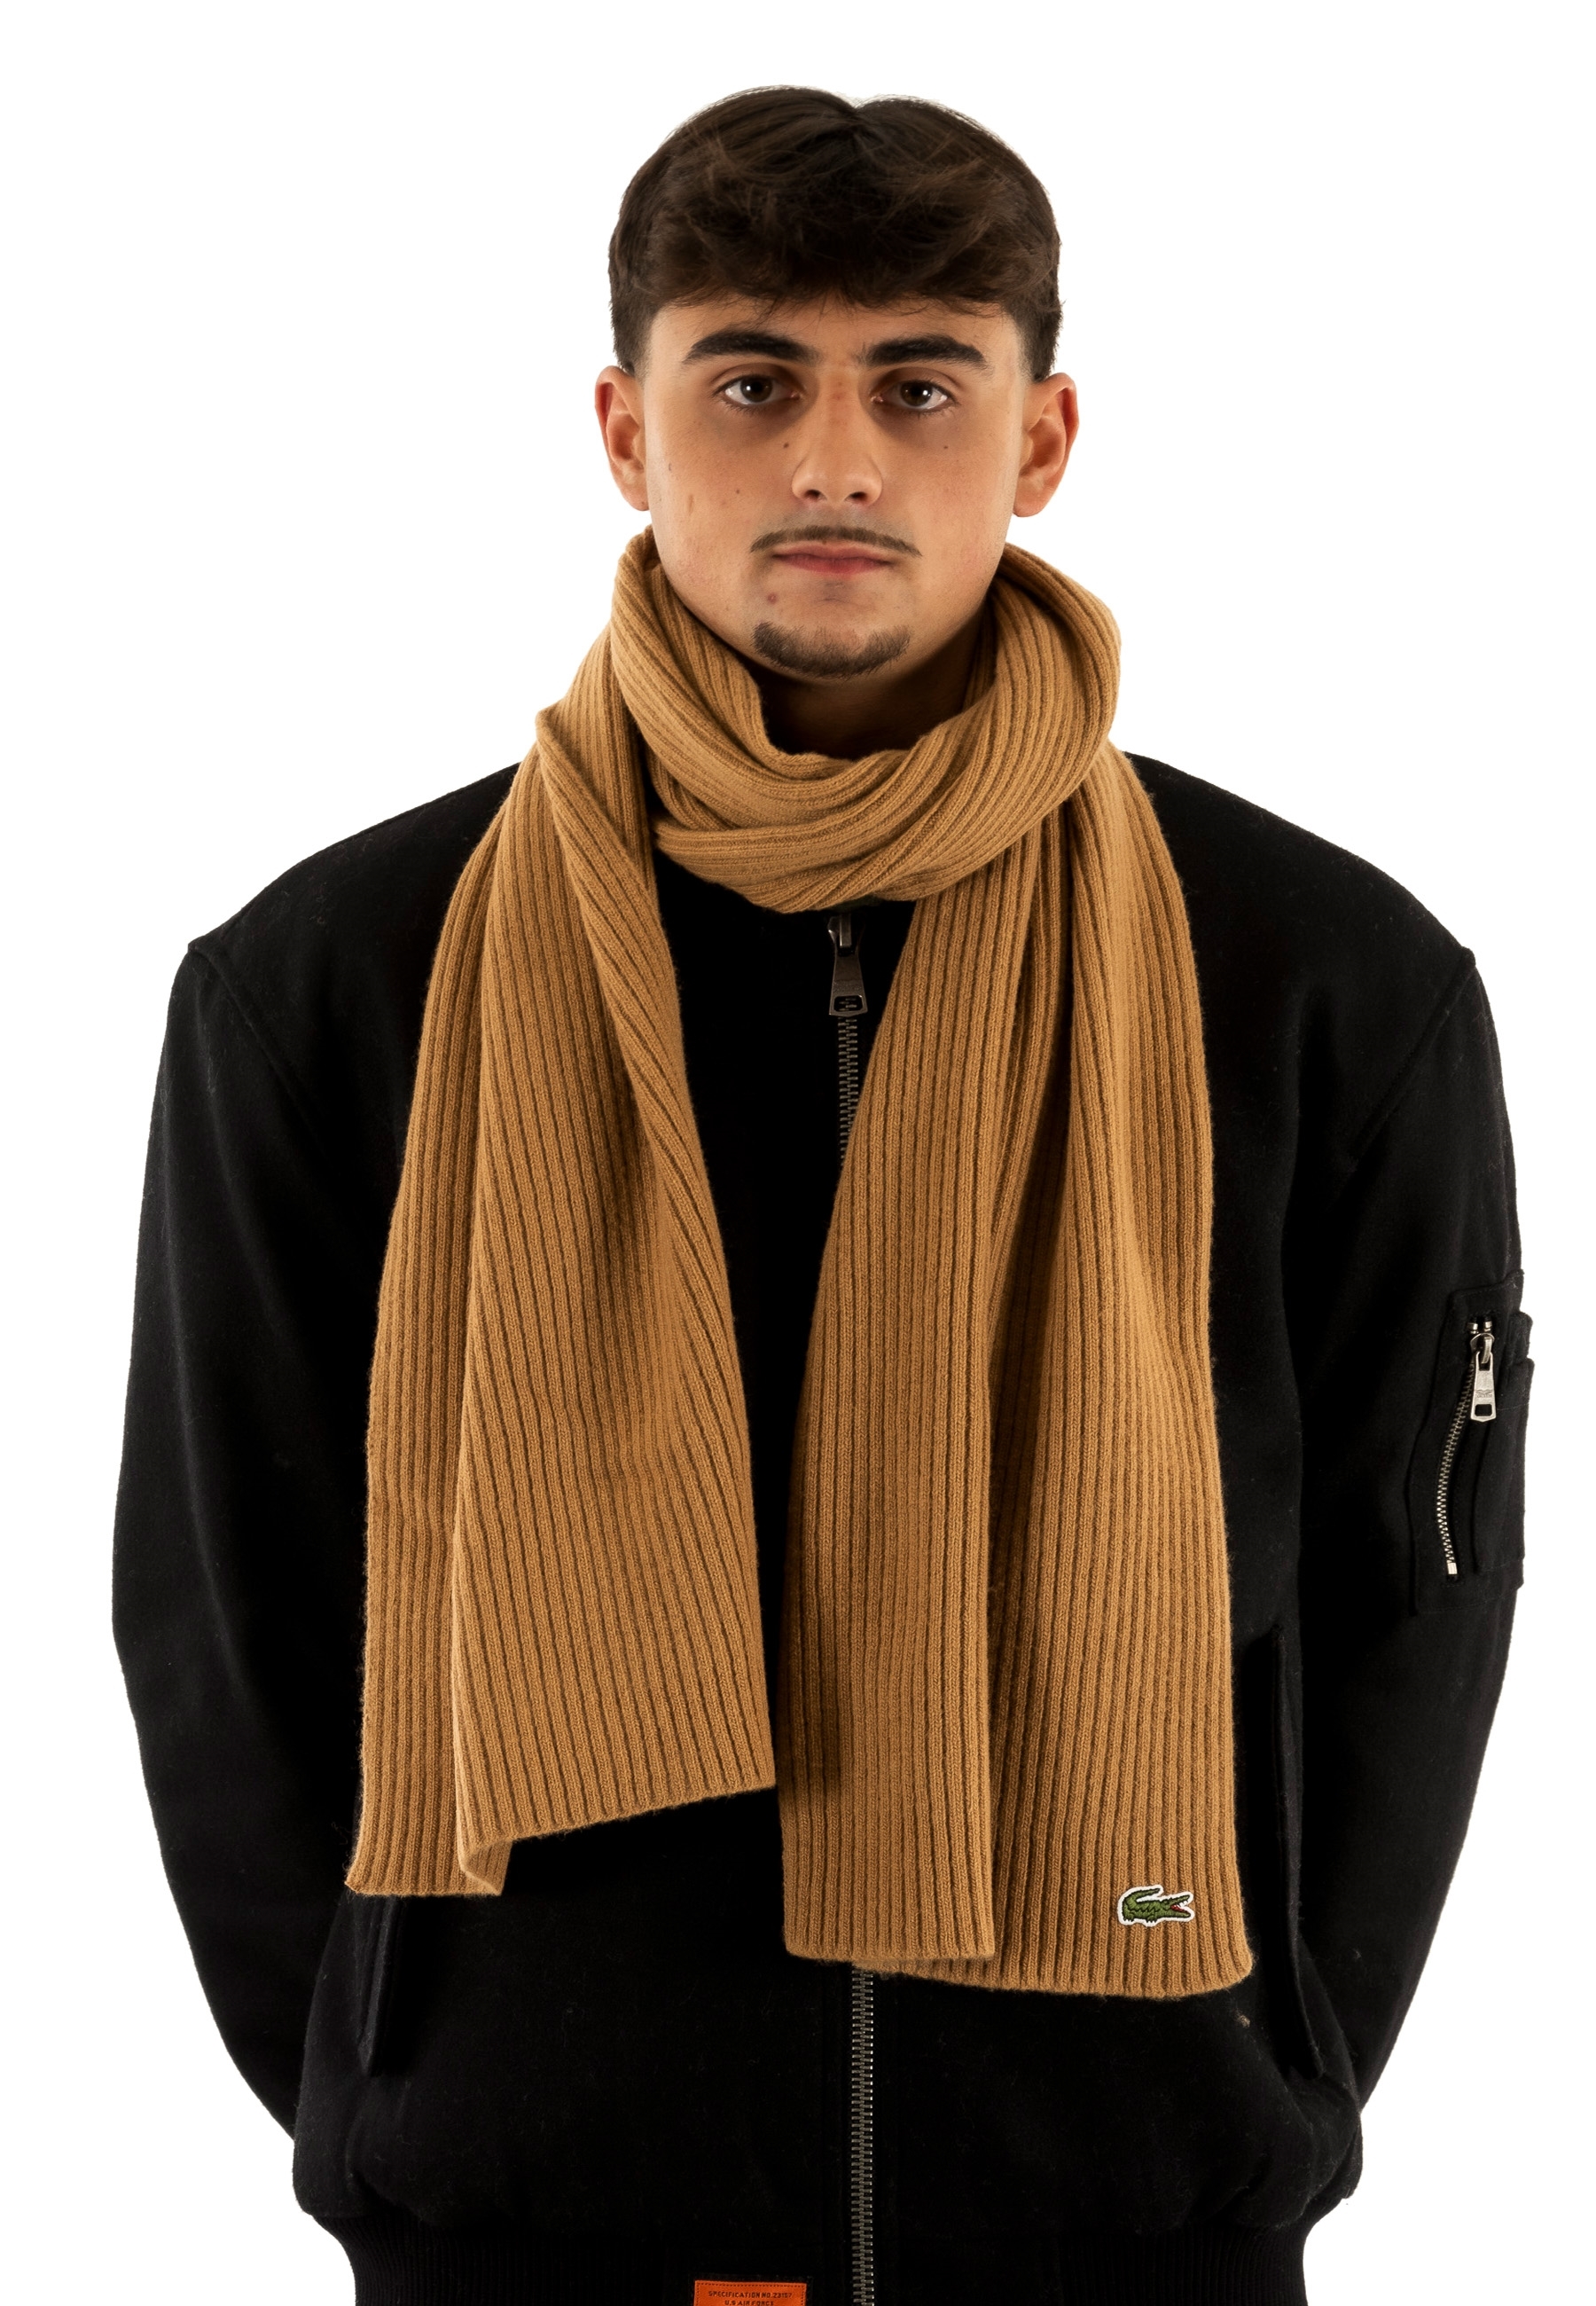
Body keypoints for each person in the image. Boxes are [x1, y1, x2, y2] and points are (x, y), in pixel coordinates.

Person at [113, 87, 1529, 2306]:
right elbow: (229, 1616)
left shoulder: (1324, 981)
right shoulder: (334, 984)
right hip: (530, 2238)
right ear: (626, 427)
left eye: (920, 385)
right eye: (755, 381)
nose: (837, 460)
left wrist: (1269, 2083)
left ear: (1042, 438)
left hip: (1125, 2226)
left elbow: (1409, 1606)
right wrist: (401, 2101)